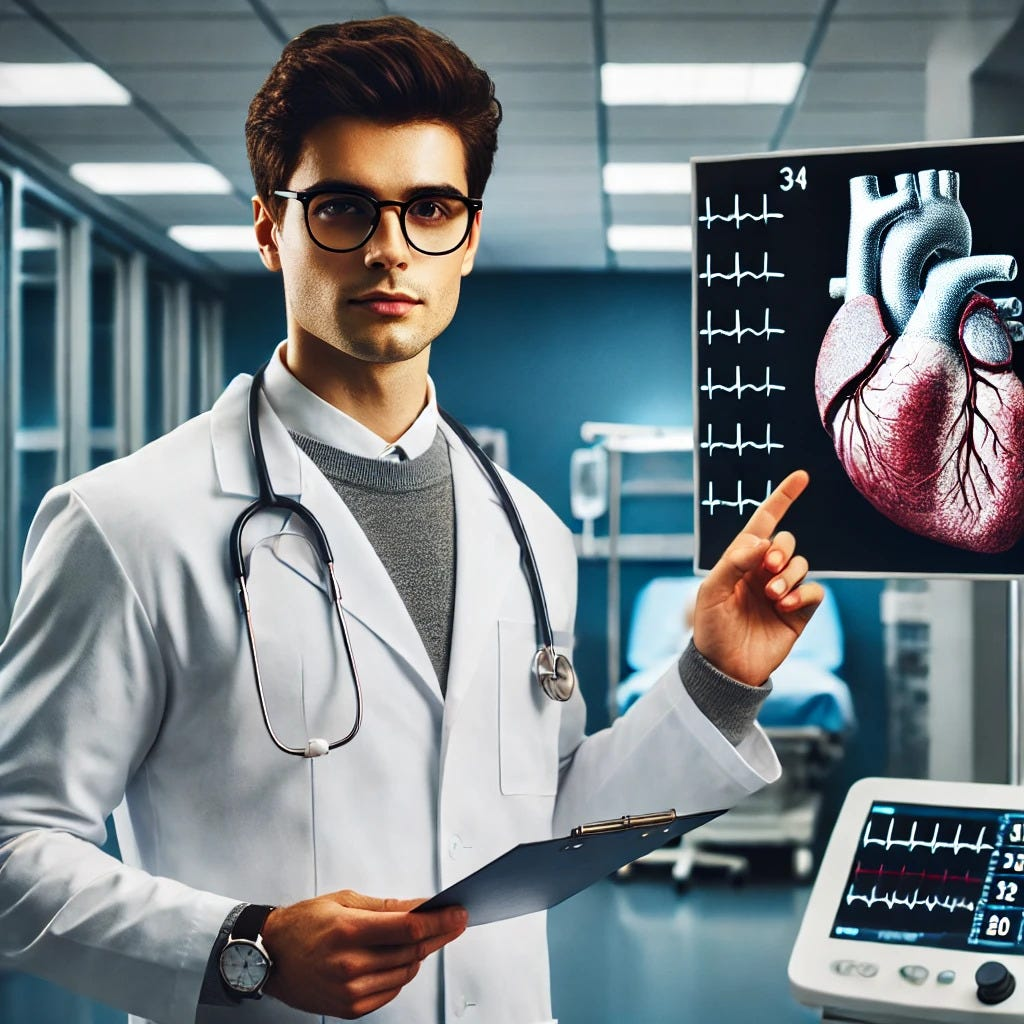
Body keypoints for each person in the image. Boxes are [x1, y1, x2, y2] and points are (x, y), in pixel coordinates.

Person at [0, 16, 824, 1024]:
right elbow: (11, 847)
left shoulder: (528, 533)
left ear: (468, 237)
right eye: (343, 207)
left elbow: (544, 816)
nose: (391, 249)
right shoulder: (129, 522)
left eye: (429, 208)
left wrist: (714, 678)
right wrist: (243, 947)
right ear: (270, 228)